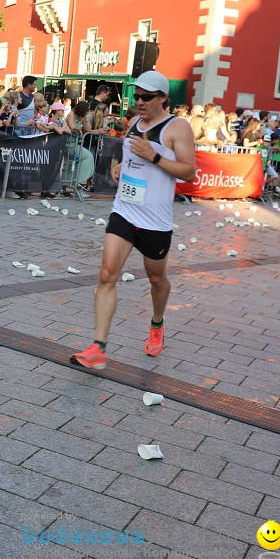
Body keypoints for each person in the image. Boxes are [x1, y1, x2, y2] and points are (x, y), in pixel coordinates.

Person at [71, 71, 196, 367]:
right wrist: (119, 169)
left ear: (163, 98)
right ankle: (98, 348)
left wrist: (154, 156)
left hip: (155, 220)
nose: (139, 101)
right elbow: (129, 159)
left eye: (146, 97)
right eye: (137, 96)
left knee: (156, 279)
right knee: (106, 274)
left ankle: (157, 324)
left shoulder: (177, 127)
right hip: (125, 211)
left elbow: (189, 172)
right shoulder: (132, 124)